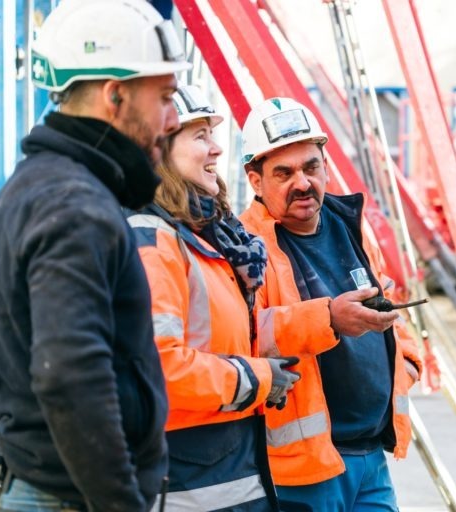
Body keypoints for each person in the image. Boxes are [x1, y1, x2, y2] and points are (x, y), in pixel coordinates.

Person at [0, 1, 190, 510]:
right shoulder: (76, 206)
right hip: (72, 497)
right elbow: (70, 373)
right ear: (115, 95)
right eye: (164, 97)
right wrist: (120, 502)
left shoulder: (36, 187)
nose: (172, 119)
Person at [239, 97, 423, 511]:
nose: (302, 183)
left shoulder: (349, 225)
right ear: (255, 180)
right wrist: (329, 319)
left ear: (325, 164)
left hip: (371, 457)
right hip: (303, 470)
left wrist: (407, 365)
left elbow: (390, 301)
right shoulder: (244, 246)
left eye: (311, 167)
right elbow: (244, 335)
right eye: (283, 173)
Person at [127, 85, 299, 511]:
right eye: (200, 135)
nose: (217, 149)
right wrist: (258, 379)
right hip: (187, 482)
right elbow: (161, 367)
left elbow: (235, 337)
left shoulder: (205, 238)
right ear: (161, 148)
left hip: (226, 471)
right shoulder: (153, 240)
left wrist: (327, 319)